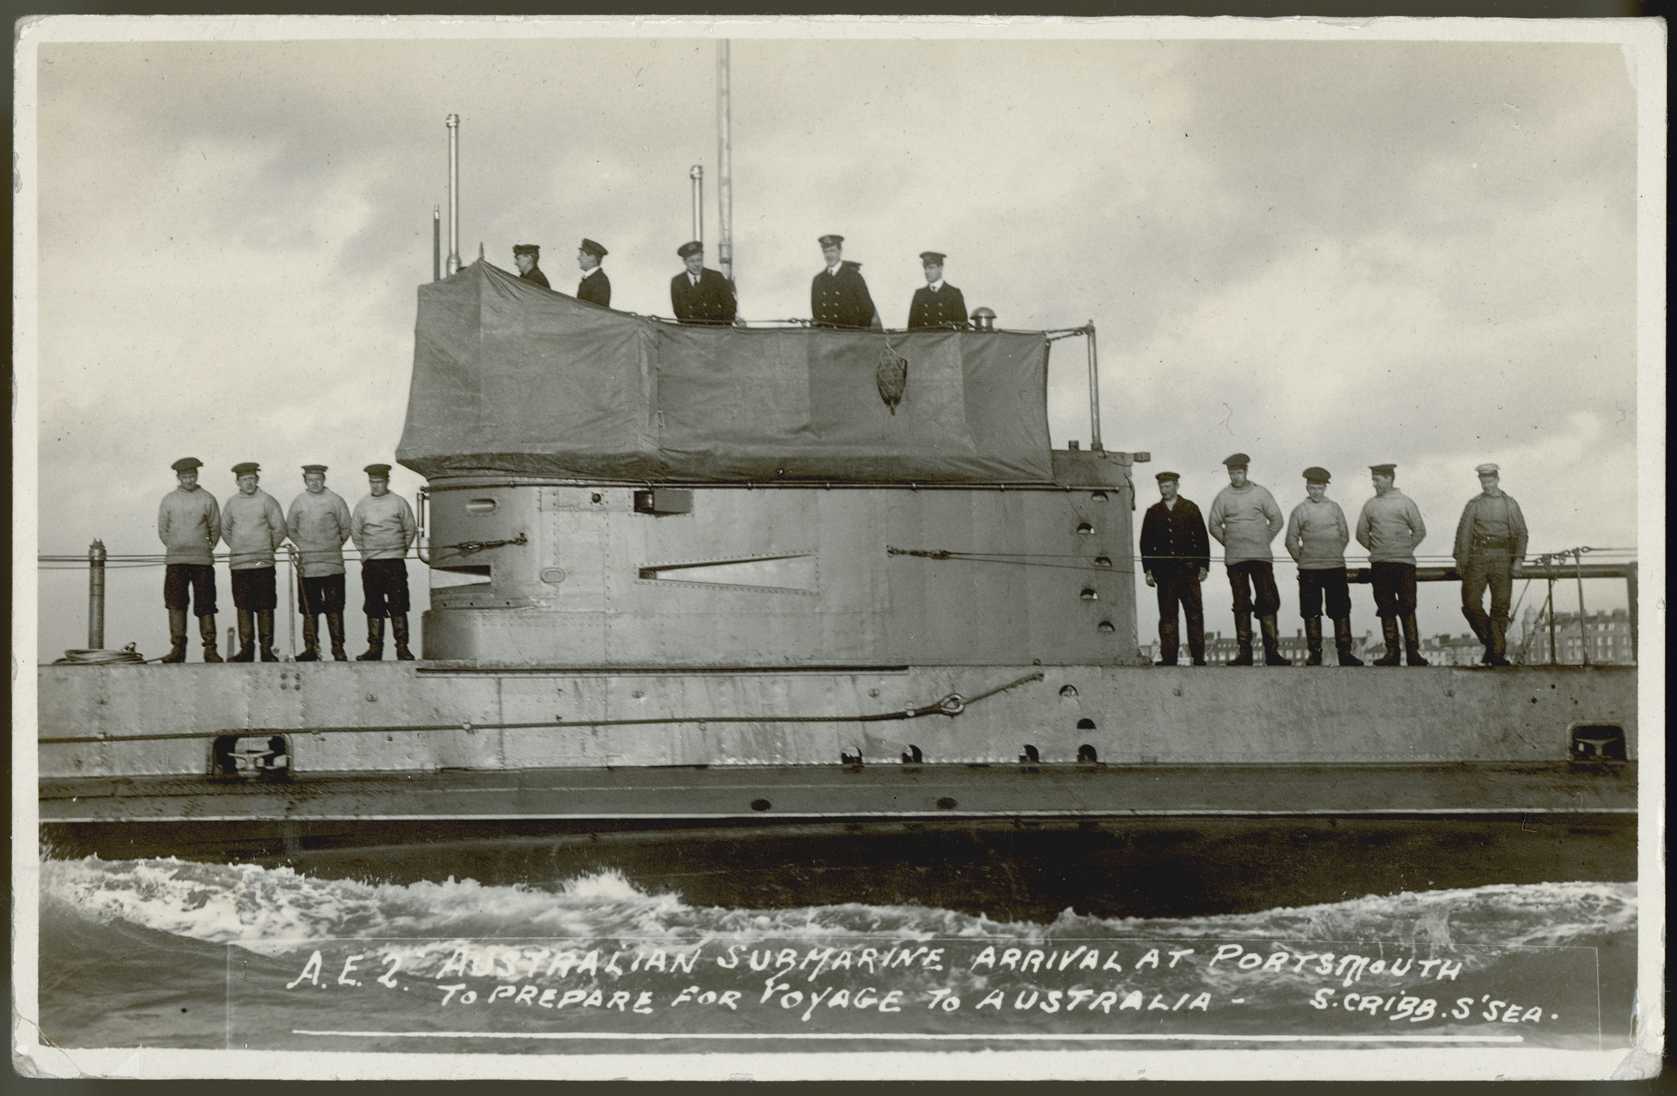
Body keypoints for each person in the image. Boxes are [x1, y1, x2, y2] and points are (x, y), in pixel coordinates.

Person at [1206, 453, 1288, 666]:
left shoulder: (1261, 494)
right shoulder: (1223, 497)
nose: (1236, 477)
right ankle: (1245, 653)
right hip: (1236, 560)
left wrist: (1263, 539)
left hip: (1261, 557)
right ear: (1228, 474)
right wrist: (1230, 542)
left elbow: (1277, 519)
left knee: (1267, 601)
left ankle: (1272, 652)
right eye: (1232, 473)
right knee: (1241, 603)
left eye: (1239, 472)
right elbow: (1213, 524)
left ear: (1246, 472)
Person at [1284, 466, 1364, 667]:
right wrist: (1302, 559)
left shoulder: (1335, 508)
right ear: (1307, 488)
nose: (1316, 492)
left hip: (1334, 567)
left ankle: (1345, 653)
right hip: (1309, 569)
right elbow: (1291, 540)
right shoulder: (1300, 510)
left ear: (1325, 488)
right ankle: (1315, 654)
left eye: (1319, 488)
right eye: (1312, 488)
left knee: (1341, 609)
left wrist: (1334, 554)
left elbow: (1344, 535)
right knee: (1311, 610)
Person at [1453, 462, 1529, 667]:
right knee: (1470, 604)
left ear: (1497, 479)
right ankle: (1494, 645)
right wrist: (1461, 560)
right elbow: (1464, 533)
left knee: (1500, 607)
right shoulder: (1474, 505)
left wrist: (1519, 560)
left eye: (1489, 479)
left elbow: (1521, 533)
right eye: (1482, 480)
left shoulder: (1509, 504)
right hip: (1478, 558)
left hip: (1503, 558)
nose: (1486, 484)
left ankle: (1496, 654)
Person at [1356, 462, 1429, 667]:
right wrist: (1377, 550)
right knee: (1386, 607)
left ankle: (1413, 653)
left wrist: (1405, 549)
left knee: (1407, 606)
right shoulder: (1370, 505)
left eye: (1377, 480)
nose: (1374, 484)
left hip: (1404, 564)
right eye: (1373, 480)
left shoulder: (1406, 503)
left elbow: (1420, 531)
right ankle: (1392, 653)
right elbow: (1361, 533)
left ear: (1389, 478)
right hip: (1380, 565)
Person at [1139, 471, 1210, 666]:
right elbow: (1146, 543)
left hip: (1189, 572)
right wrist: (1148, 570)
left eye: (1168, 486)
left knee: (1194, 614)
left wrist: (1204, 565)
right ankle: (1169, 657)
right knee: (1168, 617)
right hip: (1165, 574)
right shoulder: (1153, 512)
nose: (1164, 490)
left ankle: (1198, 657)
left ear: (1177, 486)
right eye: (1162, 487)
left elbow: (1202, 538)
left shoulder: (1190, 508)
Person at [156, 456, 223, 663]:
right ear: (178, 477)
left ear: (197, 476)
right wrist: (177, 546)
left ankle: (210, 649)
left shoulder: (208, 498)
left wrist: (204, 547)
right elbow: (163, 530)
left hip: (202, 560)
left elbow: (215, 527)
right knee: (176, 604)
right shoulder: (168, 500)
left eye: (192, 476)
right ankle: (178, 649)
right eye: (185, 476)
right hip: (176, 560)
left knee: (206, 604)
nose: (189, 480)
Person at [220, 461, 288, 662]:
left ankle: (266, 650)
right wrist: (240, 549)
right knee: (243, 605)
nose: (248, 483)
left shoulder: (268, 500)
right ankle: (246, 650)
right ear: (237, 482)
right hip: (240, 565)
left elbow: (280, 529)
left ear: (257, 480)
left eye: (251, 479)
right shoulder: (232, 503)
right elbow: (225, 529)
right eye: (244, 480)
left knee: (265, 605)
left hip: (263, 564)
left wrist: (267, 548)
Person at [351, 463, 419, 661]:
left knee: (398, 604)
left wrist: (399, 550)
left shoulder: (399, 502)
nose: (375, 486)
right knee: (373, 605)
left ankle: (402, 647)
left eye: (379, 482)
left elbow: (410, 529)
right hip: (372, 563)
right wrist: (367, 553)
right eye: (372, 482)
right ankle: (374, 648)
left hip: (394, 562)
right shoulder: (362, 505)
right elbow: (356, 532)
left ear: (387, 481)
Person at [286, 463, 353, 662]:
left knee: (335, 607)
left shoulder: (335, 501)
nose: (314, 483)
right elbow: (291, 529)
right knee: (309, 609)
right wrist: (306, 547)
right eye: (310, 480)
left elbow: (346, 527)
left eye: (318, 480)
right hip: (308, 566)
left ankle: (338, 649)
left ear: (324, 480)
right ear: (305, 481)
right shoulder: (298, 502)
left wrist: (331, 546)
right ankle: (311, 649)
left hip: (332, 565)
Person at [810, 234, 879, 329]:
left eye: (832, 251)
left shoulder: (853, 277)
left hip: (849, 335)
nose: (829, 255)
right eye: (825, 252)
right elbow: (816, 313)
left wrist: (859, 333)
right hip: (827, 335)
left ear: (840, 251)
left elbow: (867, 309)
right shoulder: (818, 280)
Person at [669, 241, 738, 325]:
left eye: (699, 260)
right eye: (692, 261)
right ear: (684, 262)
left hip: (715, 330)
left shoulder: (716, 277)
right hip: (691, 331)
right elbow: (678, 311)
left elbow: (730, 305)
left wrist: (723, 326)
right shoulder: (677, 282)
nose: (696, 264)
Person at [906, 251, 969, 330]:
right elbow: (911, 329)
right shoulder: (919, 294)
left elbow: (962, 328)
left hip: (947, 341)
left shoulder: (953, 293)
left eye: (931, 268)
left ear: (940, 268)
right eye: (925, 268)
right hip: (924, 341)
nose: (927, 272)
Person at [576, 238, 611, 307]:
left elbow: (596, 313)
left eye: (582, 254)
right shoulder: (592, 278)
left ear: (592, 258)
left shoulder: (600, 281)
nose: (578, 258)